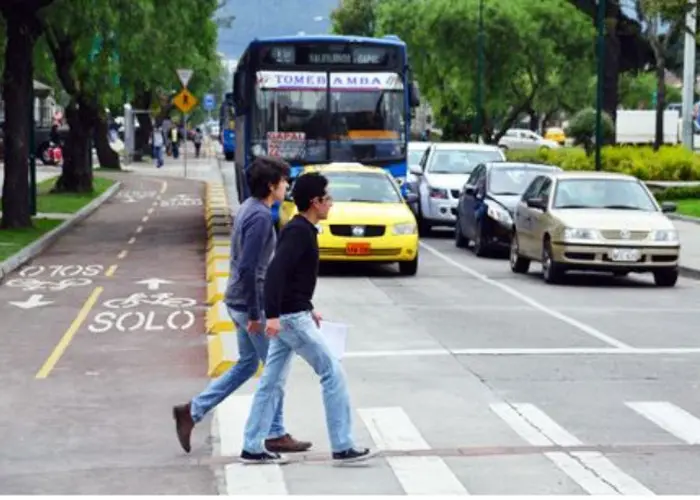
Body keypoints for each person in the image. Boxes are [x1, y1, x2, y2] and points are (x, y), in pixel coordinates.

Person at [172, 156, 312, 455]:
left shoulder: (250, 208)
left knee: (248, 364)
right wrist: (254, 314)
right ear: (272, 185)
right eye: (284, 181)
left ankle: (192, 411)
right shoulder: (261, 217)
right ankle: (274, 434)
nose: (287, 185)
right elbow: (249, 267)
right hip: (250, 304)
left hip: (237, 299)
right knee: (274, 371)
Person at [239, 172, 377, 465]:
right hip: (290, 320)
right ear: (315, 202)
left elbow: (293, 278)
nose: (332, 204)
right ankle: (342, 444)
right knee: (333, 373)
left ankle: (252, 445)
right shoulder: (299, 231)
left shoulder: (301, 229)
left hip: (294, 313)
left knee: (271, 382)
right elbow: (276, 273)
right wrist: (273, 316)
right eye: (328, 199)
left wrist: (307, 305)